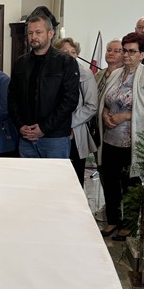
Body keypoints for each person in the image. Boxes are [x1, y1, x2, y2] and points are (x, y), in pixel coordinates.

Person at [98, 32, 144, 240]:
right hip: (110, 137)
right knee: (109, 181)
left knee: (129, 184)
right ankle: (113, 220)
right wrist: (105, 114)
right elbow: (105, 100)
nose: (126, 55)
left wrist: (124, 115)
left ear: (142, 54)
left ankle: (130, 224)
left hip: (131, 141)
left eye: (132, 52)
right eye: (124, 51)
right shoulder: (116, 73)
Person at [8, 8, 79, 158]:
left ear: (50, 34)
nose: (33, 37)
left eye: (38, 32)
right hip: (26, 136)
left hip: (55, 138)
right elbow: (12, 98)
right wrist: (20, 125)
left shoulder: (66, 62)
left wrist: (44, 128)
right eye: (30, 33)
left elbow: (70, 100)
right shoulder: (21, 63)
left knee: (55, 174)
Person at [55, 38, 98, 186]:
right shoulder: (52, 73)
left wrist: (68, 123)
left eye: (73, 52)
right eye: (65, 52)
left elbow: (91, 106)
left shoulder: (85, 73)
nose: (70, 55)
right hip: (52, 131)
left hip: (75, 131)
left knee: (75, 179)